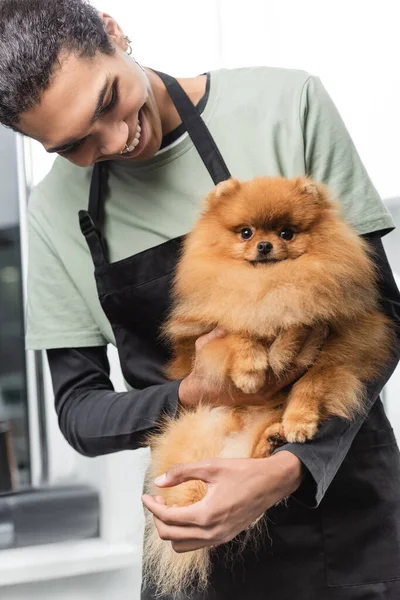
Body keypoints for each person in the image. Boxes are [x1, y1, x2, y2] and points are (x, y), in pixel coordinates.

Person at [1, 0, 399, 598]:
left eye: (108, 100)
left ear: (114, 32)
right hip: (193, 531)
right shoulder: (55, 212)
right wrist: (196, 391)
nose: (114, 141)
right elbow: (80, 413)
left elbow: (383, 319)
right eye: (72, 145)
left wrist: (284, 471)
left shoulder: (286, 107)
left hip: (341, 522)